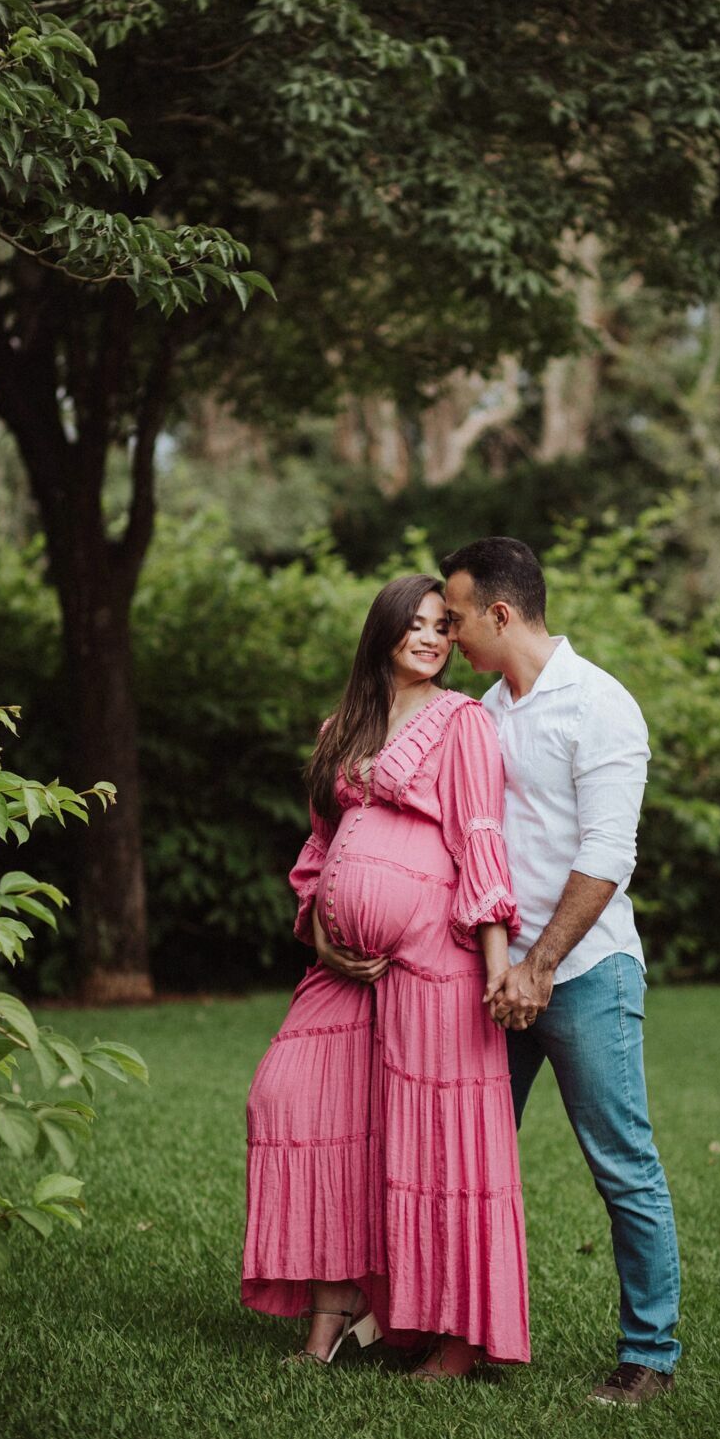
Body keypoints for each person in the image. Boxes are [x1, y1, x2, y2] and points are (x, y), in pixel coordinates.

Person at [241, 574, 530, 1377]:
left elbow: (481, 841)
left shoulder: (462, 721)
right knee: (291, 1099)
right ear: (384, 632)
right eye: (417, 624)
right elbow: (316, 852)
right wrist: (323, 937)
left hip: (436, 960)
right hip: (345, 968)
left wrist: (497, 971)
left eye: (444, 627)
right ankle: (335, 1313)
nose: (433, 639)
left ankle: (458, 1338)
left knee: (437, 1146)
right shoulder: (342, 729)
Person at [439, 537, 681, 1408]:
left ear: (500, 614)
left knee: (622, 1166)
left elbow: (607, 852)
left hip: (584, 977)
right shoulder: (483, 710)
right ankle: (458, 1329)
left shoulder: (600, 706)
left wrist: (540, 966)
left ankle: (648, 1353)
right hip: (497, 979)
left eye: (458, 617)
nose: (449, 634)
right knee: (463, 1157)